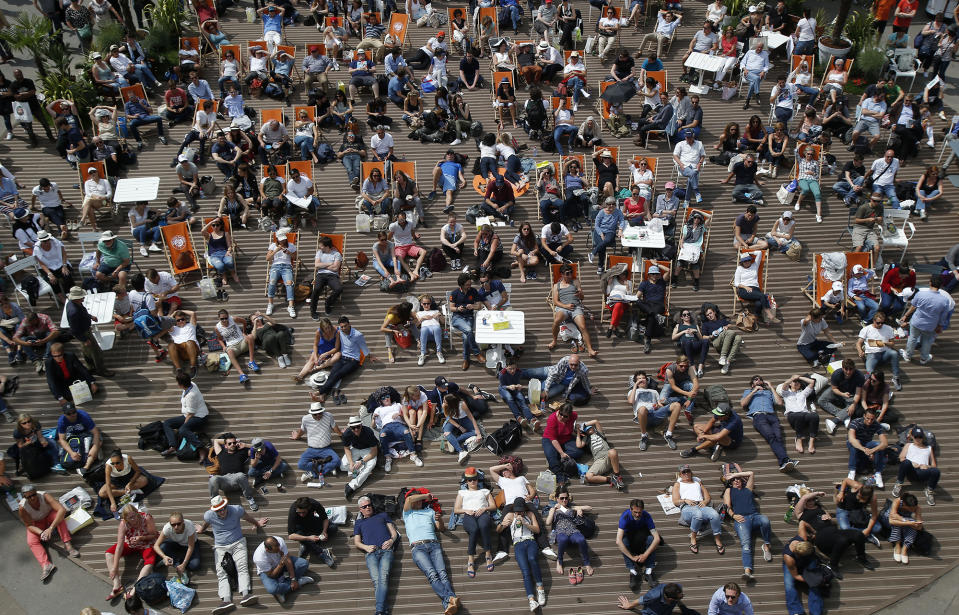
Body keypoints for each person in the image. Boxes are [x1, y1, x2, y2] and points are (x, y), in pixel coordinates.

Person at [198, 495, 268, 614]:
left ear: (226, 505)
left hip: (238, 542)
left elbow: (247, 517)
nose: (222, 511)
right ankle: (226, 601)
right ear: (214, 510)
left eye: (223, 508)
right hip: (220, 546)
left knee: (242, 567)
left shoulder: (236, 509)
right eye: (218, 510)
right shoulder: (209, 515)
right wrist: (201, 530)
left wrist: (257, 523)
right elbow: (206, 523)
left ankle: (246, 595)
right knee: (221, 573)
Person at [403, 490, 461, 615]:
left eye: (420, 500)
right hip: (417, 547)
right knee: (432, 574)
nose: (418, 502)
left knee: (442, 574)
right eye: (416, 499)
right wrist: (426, 496)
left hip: (433, 544)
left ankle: (449, 604)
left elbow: (440, 528)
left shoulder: (430, 511)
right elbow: (408, 500)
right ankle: (450, 598)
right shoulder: (407, 513)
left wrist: (439, 519)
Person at [795, 489, 874, 578]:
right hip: (820, 535)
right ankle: (833, 564)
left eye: (813, 499)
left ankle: (861, 557)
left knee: (858, 535)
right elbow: (804, 498)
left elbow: (834, 523)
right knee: (842, 540)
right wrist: (817, 493)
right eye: (809, 500)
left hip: (833, 531)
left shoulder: (820, 508)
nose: (812, 501)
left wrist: (829, 518)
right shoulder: (800, 512)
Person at [18, 485, 79, 581]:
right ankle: (46, 565)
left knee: (59, 518)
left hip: (50, 515)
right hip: (37, 523)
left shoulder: (44, 495)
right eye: (29, 497)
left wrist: (50, 528)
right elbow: (29, 525)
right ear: (24, 497)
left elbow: (61, 510)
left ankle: (68, 545)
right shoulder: (22, 508)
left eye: (34, 495)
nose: (33, 498)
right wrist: (41, 533)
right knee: (31, 542)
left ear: (36, 492)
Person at [741, 374, 799, 472]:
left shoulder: (769, 392)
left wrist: (771, 387)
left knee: (779, 438)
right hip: (759, 416)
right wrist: (754, 391)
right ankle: (786, 459)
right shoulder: (749, 391)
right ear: (752, 384)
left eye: (760, 379)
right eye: (756, 379)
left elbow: (780, 403)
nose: (758, 380)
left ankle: (783, 463)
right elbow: (743, 404)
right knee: (771, 436)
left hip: (772, 416)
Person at [353, 493, 399, 614]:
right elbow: (357, 542)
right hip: (371, 553)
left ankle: (379, 611)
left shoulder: (383, 515)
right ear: (360, 509)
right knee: (376, 581)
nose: (367, 508)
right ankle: (384, 611)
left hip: (386, 551)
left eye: (369, 505)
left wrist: (390, 541)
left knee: (382, 579)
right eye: (364, 507)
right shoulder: (358, 523)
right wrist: (366, 547)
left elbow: (394, 534)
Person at [104, 504, 159, 601]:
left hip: (147, 542)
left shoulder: (146, 518)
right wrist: (115, 567)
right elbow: (119, 546)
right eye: (130, 518)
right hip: (131, 543)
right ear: (125, 518)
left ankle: (135, 589)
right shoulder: (123, 524)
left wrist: (141, 538)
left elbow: (154, 535)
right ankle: (117, 585)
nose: (134, 519)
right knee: (108, 553)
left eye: (135, 516)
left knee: (149, 562)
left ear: (137, 513)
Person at [900, 276, 952, 366]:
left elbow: (913, 307)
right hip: (930, 325)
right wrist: (940, 326)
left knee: (912, 338)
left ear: (930, 283)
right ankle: (924, 358)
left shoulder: (920, 294)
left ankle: (908, 356)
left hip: (916, 321)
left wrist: (905, 315)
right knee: (927, 341)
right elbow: (943, 316)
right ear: (940, 286)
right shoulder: (944, 300)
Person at [672, 464, 724, 554]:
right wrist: (685, 500)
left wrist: (704, 502)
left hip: (700, 505)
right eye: (683, 472)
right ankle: (693, 538)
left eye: (687, 471)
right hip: (687, 507)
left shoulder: (697, 482)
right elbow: (675, 501)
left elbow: (707, 497)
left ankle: (717, 539)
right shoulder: (678, 484)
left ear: (691, 472)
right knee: (697, 514)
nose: (686, 473)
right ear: (680, 475)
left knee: (715, 515)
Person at [65, 286, 113, 377]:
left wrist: (90, 316)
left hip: (84, 330)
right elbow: (74, 330)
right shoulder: (73, 312)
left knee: (87, 351)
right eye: (81, 297)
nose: (83, 298)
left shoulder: (74, 304)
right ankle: (101, 370)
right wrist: (84, 339)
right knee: (96, 352)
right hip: (83, 333)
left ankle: (91, 367)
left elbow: (83, 312)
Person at [253, 535, 314, 604]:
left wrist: (293, 579)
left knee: (303, 564)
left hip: (282, 561)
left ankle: (284, 588)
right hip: (269, 571)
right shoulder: (259, 558)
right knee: (272, 589)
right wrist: (280, 565)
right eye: (276, 551)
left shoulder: (280, 541)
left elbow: (287, 559)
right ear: (267, 550)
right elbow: (272, 575)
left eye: (279, 547)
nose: (279, 550)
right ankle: (299, 582)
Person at [616, 498, 661, 592]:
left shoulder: (647, 516)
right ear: (630, 509)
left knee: (651, 539)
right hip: (630, 540)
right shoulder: (625, 517)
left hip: (642, 540)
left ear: (643, 510)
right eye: (635, 512)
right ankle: (633, 571)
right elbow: (618, 541)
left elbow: (657, 538)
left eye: (639, 512)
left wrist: (645, 555)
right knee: (623, 542)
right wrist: (632, 557)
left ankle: (648, 572)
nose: (637, 514)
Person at [291, 402, 341, 484]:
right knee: (300, 464)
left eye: (320, 413)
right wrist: (297, 436)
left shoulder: (328, 416)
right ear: (311, 414)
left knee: (337, 461)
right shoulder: (305, 419)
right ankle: (327, 467)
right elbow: (302, 429)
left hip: (326, 448)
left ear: (322, 411)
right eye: (315, 414)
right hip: (311, 449)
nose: (318, 416)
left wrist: (342, 434)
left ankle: (312, 473)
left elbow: (334, 427)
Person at [449, 272, 486, 371]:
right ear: (461, 285)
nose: (469, 286)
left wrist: (472, 306)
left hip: (469, 316)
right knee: (469, 330)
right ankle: (477, 353)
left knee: (466, 335)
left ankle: (466, 359)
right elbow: (451, 308)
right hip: (457, 317)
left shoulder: (473, 291)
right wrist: (458, 309)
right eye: (467, 284)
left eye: (470, 284)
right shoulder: (455, 293)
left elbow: (479, 306)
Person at [893, 426, 939, 505]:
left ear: (923, 437)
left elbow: (934, 465)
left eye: (920, 437)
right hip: (911, 471)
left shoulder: (929, 448)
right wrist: (913, 463)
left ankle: (929, 490)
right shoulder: (908, 445)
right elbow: (901, 458)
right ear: (912, 437)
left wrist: (926, 466)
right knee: (906, 462)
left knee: (936, 471)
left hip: (923, 472)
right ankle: (898, 483)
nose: (918, 439)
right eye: (916, 437)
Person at [819, 359, 866, 434]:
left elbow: (858, 393)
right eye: (846, 369)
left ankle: (835, 421)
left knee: (854, 406)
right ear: (842, 368)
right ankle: (845, 416)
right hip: (838, 391)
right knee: (821, 400)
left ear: (854, 368)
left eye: (850, 369)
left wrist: (853, 405)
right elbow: (834, 388)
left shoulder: (859, 376)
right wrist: (842, 394)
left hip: (851, 395)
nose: (848, 372)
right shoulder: (836, 374)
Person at [856, 311, 901, 391]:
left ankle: (896, 377)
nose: (880, 325)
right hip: (872, 354)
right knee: (869, 371)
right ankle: (874, 384)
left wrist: (885, 343)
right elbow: (858, 343)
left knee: (894, 353)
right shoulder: (866, 329)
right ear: (874, 321)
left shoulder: (888, 328)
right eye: (878, 323)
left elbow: (892, 344)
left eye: (882, 323)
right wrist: (860, 351)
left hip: (884, 353)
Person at [847, 406, 889, 488]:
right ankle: (852, 471)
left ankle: (878, 473)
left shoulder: (876, 424)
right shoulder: (855, 422)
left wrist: (873, 450)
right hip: (856, 443)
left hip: (867, 444)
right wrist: (864, 449)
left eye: (872, 419)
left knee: (878, 445)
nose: (869, 421)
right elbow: (852, 439)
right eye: (867, 418)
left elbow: (884, 443)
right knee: (856, 442)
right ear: (864, 416)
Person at [779, 374, 819, 454]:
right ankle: (799, 439)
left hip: (804, 415)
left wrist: (799, 377)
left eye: (798, 382)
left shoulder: (803, 393)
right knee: (799, 415)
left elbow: (812, 382)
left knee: (814, 415)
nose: (796, 383)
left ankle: (811, 442)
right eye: (794, 382)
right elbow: (785, 385)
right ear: (790, 384)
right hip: (793, 416)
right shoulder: (786, 393)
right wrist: (792, 378)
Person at [153, 511, 200, 578]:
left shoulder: (189, 526)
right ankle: (175, 563)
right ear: (170, 524)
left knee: (195, 565)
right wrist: (164, 556)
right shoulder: (167, 528)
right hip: (176, 542)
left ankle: (177, 563)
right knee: (162, 547)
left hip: (189, 544)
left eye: (178, 524)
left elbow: (190, 547)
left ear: (183, 521)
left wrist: (184, 563)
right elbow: (156, 545)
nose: (176, 527)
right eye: (173, 525)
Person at [889, 492, 923, 565]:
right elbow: (891, 519)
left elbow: (919, 527)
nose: (913, 509)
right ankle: (897, 545)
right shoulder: (897, 501)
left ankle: (905, 548)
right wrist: (907, 522)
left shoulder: (917, 508)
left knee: (914, 525)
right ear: (904, 504)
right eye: (911, 508)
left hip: (904, 520)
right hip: (891, 519)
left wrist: (912, 523)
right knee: (897, 523)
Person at [671, 309, 708, 377]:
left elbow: (701, 338)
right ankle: (692, 366)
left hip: (695, 344)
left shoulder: (695, 325)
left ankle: (700, 367)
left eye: (688, 314)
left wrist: (695, 331)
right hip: (685, 345)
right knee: (687, 342)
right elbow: (673, 337)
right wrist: (683, 332)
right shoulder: (678, 326)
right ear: (682, 317)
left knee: (705, 341)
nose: (687, 316)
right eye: (684, 315)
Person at [672, 129, 705, 203]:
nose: (688, 139)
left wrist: (700, 163)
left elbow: (703, 155)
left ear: (693, 136)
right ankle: (696, 191)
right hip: (684, 166)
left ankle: (687, 200)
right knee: (693, 174)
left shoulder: (699, 144)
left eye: (689, 137)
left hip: (695, 166)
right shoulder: (680, 144)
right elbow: (675, 155)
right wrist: (680, 164)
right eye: (687, 137)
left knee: (691, 176)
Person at [739, 42, 769, 110]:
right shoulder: (749, 52)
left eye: (761, 47)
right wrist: (744, 69)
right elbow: (742, 62)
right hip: (749, 72)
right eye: (758, 47)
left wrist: (763, 71)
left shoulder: (765, 54)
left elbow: (767, 65)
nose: (759, 49)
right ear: (755, 46)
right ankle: (757, 93)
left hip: (759, 73)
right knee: (756, 78)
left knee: (752, 83)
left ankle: (747, 101)